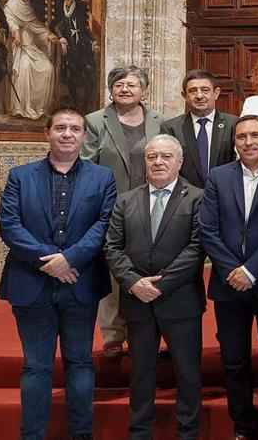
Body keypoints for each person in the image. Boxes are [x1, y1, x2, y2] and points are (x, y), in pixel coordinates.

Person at [0, 107, 117, 440]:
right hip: (31, 284)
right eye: (60, 128)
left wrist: (71, 259)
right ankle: (32, 435)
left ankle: (82, 435)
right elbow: (9, 225)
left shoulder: (102, 177)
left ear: (84, 135)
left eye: (74, 129)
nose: (67, 134)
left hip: (80, 283)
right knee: (36, 366)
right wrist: (50, 261)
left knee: (80, 363)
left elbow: (103, 225)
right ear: (46, 132)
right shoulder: (20, 176)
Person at [103, 134, 206, 440]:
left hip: (180, 300)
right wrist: (134, 283)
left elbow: (198, 247)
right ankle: (140, 433)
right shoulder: (126, 200)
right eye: (152, 157)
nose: (158, 162)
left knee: (188, 374)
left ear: (180, 161)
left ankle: (187, 433)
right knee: (140, 374)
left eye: (166, 156)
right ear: (144, 162)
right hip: (137, 302)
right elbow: (112, 248)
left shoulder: (197, 197)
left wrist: (162, 284)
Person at [198, 115, 258, 440]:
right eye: (242, 136)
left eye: (255, 135)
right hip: (227, 283)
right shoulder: (219, 177)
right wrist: (232, 270)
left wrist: (252, 269)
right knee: (233, 359)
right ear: (234, 141)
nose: (248, 142)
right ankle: (243, 426)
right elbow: (207, 229)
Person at [83, 64, 166, 358]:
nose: (125, 89)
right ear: (111, 90)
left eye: (131, 85)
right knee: (114, 271)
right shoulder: (95, 121)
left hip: (152, 206)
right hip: (111, 207)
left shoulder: (159, 120)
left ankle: (144, 334)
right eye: (119, 84)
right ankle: (113, 336)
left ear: (143, 91)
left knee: (148, 268)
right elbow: (86, 166)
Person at [161, 69, 239, 188]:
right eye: (193, 91)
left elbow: (238, 162)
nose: (199, 96)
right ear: (184, 95)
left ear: (216, 93)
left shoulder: (233, 124)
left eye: (205, 90)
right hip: (185, 197)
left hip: (225, 192)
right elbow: (168, 165)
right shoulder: (171, 127)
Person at [4, 0, 55, 119]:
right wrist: (16, 33)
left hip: (32, 47)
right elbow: (10, 22)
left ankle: (40, 108)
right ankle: (20, 107)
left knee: (48, 68)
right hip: (18, 47)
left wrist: (47, 34)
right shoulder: (10, 6)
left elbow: (36, 26)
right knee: (25, 66)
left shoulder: (28, 8)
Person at [50, 0, 97, 109]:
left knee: (92, 74)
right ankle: (75, 104)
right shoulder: (61, 17)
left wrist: (92, 44)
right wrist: (61, 39)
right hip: (68, 56)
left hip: (81, 54)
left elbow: (86, 34)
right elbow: (55, 27)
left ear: (72, 0)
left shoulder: (78, 16)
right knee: (70, 75)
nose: (67, 2)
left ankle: (85, 104)